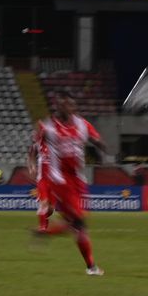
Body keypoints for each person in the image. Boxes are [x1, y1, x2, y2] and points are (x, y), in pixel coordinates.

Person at [31, 92, 107, 276]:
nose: (65, 107)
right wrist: (33, 164)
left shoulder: (82, 124)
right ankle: (91, 267)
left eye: (69, 105)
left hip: (79, 180)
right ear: (57, 106)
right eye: (62, 104)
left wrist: (100, 145)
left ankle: (44, 233)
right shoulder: (47, 127)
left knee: (73, 226)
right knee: (80, 224)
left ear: (73, 107)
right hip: (60, 180)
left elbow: (97, 140)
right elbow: (34, 147)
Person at [28, 116, 55, 233]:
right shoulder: (39, 145)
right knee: (43, 203)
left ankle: (45, 222)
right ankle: (42, 227)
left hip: (54, 181)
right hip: (42, 179)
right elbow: (31, 155)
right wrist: (32, 167)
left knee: (51, 208)